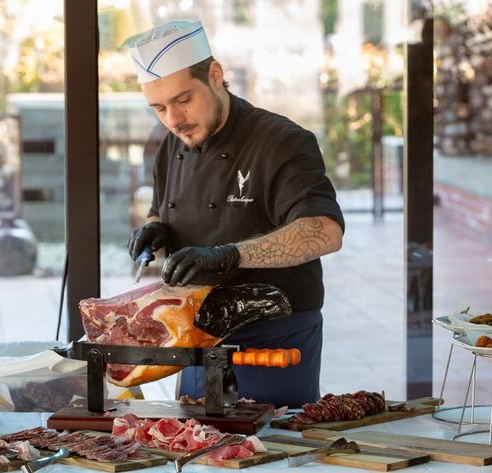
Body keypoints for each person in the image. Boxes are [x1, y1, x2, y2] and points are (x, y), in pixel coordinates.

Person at [126, 20, 344, 408]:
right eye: (159, 108)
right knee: (195, 453)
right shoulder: (171, 143)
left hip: (273, 340)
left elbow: (324, 230)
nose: (174, 120)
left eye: (183, 100)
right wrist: (154, 228)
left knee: (270, 457)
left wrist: (229, 254)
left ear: (215, 75)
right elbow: (162, 206)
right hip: (196, 335)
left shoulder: (281, 141)